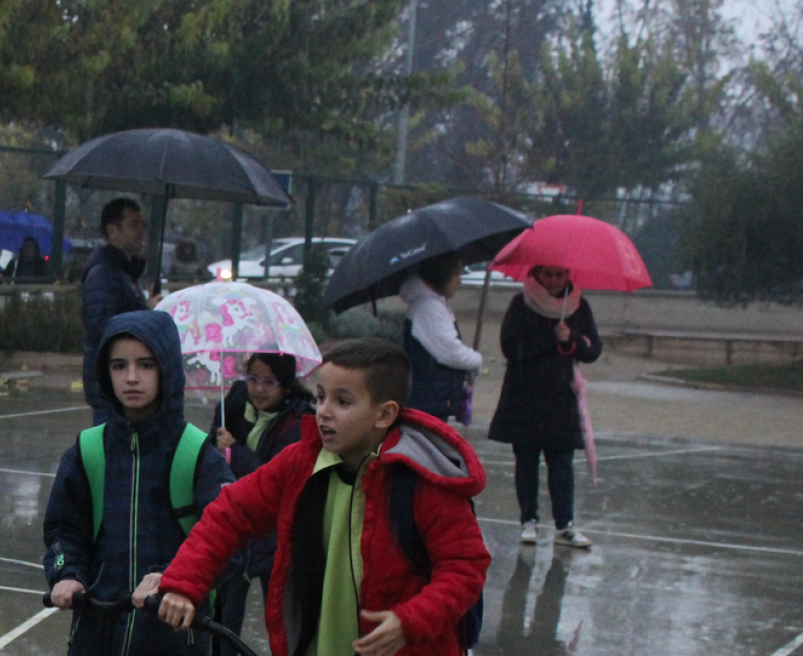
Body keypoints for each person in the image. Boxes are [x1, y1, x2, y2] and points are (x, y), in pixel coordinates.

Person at [139, 338, 490, 656]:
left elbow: (465, 567)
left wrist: (410, 620)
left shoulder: (422, 479)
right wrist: (184, 582)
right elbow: (229, 512)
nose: (323, 410)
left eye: (343, 401)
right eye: (321, 396)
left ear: (385, 414)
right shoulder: (301, 460)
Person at [43, 310, 235, 656]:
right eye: (119, 366)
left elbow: (230, 537)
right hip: (95, 635)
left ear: (167, 370)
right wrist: (68, 573)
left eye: (146, 365)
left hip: (173, 639)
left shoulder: (196, 453)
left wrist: (180, 580)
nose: (131, 377)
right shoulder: (88, 449)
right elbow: (63, 528)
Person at [208, 352, 315, 656]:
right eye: (253, 379)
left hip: (277, 535)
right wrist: (218, 439)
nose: (259, 389)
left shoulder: (298, 422)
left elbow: (275, 479)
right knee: (224, 618)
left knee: (281, 617)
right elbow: (211, 457)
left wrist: (235, 450)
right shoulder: (233, 407)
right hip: (237, 529)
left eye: (269, 381)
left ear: (286, 385)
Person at [488, 265, 602, 548]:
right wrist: (550, 340)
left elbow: (594, 349)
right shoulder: (521, 303)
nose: (553, 281)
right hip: (524, 395)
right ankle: (529, 521)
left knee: (562, 462)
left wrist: (572, 341)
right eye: (547, 275)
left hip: (561, 398)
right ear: (536, 274)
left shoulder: (578, 306)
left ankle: (565, 525)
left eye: (559, 275)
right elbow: (510, 346)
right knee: (526, 461)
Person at [80, 198, 162, 424]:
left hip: (123, 383)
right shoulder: (103, 274)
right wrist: (145, 312)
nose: (142, 230)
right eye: (134, 224)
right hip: (110, 387)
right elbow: (101, 326)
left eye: (142, 224)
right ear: (113, 231)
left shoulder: (124, 273)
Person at [399, 252, 482, 423]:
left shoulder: (434, 303)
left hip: (433, 399)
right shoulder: (428, 307)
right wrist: (475, 359)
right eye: (456, 274)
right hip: (428, 401)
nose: (459, 280)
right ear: (442, 275)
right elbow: (448, 351)